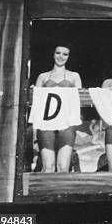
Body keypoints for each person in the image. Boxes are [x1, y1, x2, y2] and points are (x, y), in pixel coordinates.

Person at [33, 44, 82, 173]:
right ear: (53, 54)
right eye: (58, 53)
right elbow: (36, 102)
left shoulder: (74, 76)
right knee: (48, 166)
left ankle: (62, 193)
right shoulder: (43, 77)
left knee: (63, 167)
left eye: (65, 54)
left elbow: (79, 100)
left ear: (69, 57)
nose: (61, 57)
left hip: (66, 122)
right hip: (47, 121)